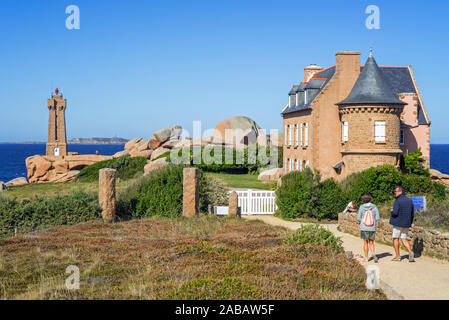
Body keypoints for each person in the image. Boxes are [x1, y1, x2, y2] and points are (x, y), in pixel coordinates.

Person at [390, 186, 415, 262]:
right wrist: (410, 222)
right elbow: (412, 213)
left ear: (400, 192)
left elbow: (395, 213)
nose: (395, 193)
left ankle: (398, 257)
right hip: (406, 223)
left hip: (398, 223)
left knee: (395, 238)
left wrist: (392, 211)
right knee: (404, 239)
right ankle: (410, 252)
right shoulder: (409, 200)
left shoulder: (397, 200)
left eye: (396, 191)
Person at [357, 193, 380, 263]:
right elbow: (377, 217)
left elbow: (359, 218)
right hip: (372, 227)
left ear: (363, 199)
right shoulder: (374, 207)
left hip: (364, 227)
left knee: (365, 243)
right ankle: (373, 253)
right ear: (370, 199)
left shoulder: (361, 207)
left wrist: (362, 222)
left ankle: (366, 258)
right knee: (371, 242)